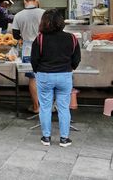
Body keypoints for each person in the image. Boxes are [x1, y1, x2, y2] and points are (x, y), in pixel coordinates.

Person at [31, 9, 81, 148]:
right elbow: (76, 59)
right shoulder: (71, 38)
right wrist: (69, 68)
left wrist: (38, 71)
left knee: (45, 107)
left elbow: (34, 59)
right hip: (65, 76)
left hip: (45, 75)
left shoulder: (40, 39)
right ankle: (64, 139)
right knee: (64, 108)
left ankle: (46, 137)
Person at [12, 0, 45, 114]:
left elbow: (15, 35)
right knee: (46, 76)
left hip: (28, 49)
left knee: (33, 78)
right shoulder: (44, 13)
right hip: (44, 47)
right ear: (36, 0)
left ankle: (36, 107)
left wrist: (23, 36)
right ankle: (46, 106)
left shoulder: (19, 15)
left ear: (25, 1)